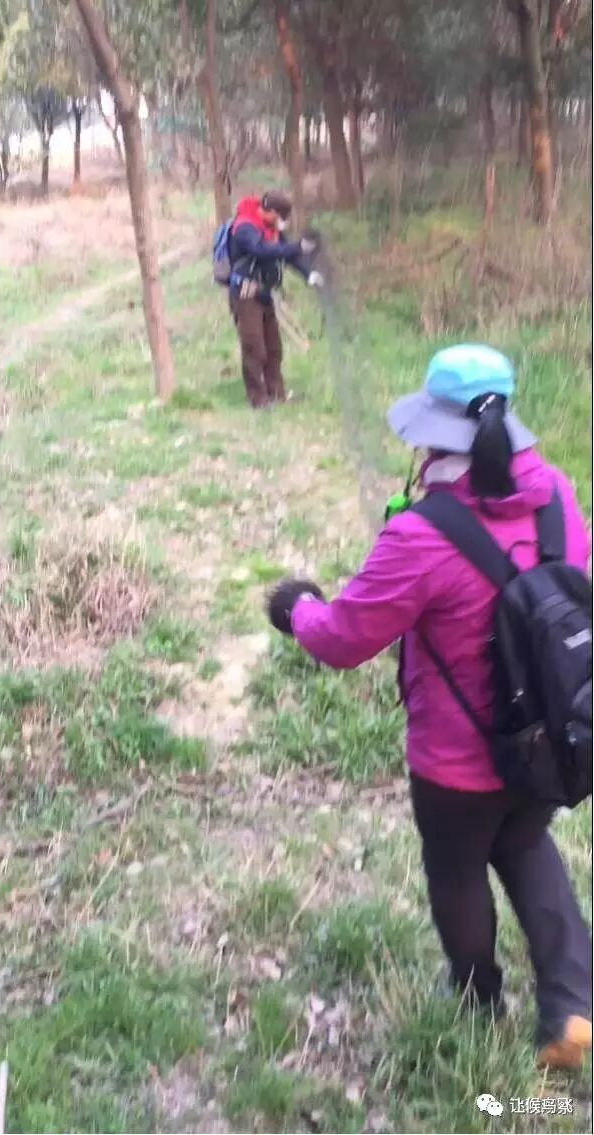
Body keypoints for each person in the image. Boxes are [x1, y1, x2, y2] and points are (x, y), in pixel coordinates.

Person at [266, 343, 592, 1071]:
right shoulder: (558, 496)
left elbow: (344, 638)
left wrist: (297, 609)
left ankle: (477, 1004)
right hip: (552, 741)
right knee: (527, 844)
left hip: (456, 761)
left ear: (435, 436)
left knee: (457, 872)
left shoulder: (420, 535)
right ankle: (572, 1004)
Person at [228, 190, 322, 408]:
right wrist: (297, 246)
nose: (283, 222)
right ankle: (258, 400)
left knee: (274, 348)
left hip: (265, 294)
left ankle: (277, 395)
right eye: (281, 217)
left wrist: (309, 275)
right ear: (269, 212)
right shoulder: (244, 227)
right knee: (254, 348)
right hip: (246, 295)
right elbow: (260, 250)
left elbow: (287, 254)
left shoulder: (271, 229)